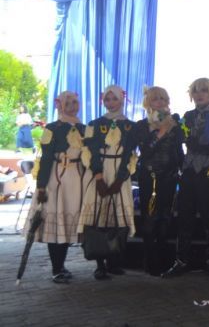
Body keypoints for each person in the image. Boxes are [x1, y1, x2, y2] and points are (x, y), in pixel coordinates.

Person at [163, 78, 209, 278]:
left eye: (204, 90)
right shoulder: (188, 116)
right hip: (189, 171)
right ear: (191, 95)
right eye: (196, 91)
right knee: (184, 217)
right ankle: (181, 261)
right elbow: (180, 141)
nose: (199, 94)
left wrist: (200, 147)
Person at [25, 91, 88, 283]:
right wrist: (41, 186)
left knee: (68, 224)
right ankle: (56, 268)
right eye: (68, 103)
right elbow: (45, 159)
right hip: (57, 179)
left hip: (77, 180)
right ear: (59, 105)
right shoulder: (51, 128)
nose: (72, 106)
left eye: (75, 102)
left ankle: (61, 265)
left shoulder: (85, 128)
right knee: (57, 222)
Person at [78, 85, 137, 280]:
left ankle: (113, 261)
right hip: (99, 173)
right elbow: (90, 151)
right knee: (98, 217)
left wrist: (120, 179)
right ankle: (99, 264)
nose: (110, 103)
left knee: (118, 218)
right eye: (107, 99)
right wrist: (98, 176)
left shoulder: (131, 126)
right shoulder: (94, 124)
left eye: (114, 99)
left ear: (122, 100)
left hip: (120, 174)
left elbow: (130, 155)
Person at [135, 86, 184, 276]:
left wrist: (182, 171)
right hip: (149, 177)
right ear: (148, 102)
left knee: (165, 219)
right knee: (149, 218)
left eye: (163, 98)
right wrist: (161, 131)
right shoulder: (141, 125)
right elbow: (146, 151)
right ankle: (150, 261)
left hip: (169, 177)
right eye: (156, 99)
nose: (160, 102)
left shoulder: (175, 124)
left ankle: (164, 260)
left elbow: (178, 151)